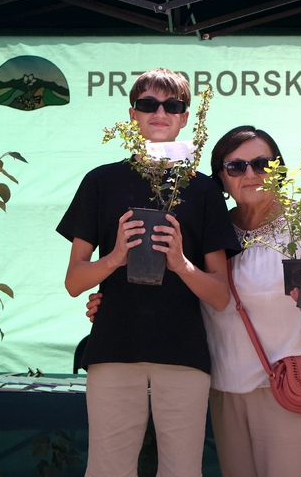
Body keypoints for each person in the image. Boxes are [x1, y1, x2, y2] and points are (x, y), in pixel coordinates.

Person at [88, 125, 301, 477]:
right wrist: (109, 303)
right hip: (226, 388)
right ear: (221, 180)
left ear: (279, 170)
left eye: (262, 164)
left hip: (291, 386)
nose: (251, 174)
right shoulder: (211, 229)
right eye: (236, 166)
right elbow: (185, 291)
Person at [57, 68, 239, 477]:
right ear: (132, 114)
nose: (160, 113)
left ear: (186, 117)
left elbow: (220, 295)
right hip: (113, 347)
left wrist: (181, 263)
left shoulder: (204, 190)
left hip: (184, 353)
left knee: (182, 470)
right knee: (108, 469)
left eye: (172, 105)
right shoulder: (101, 181)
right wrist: (115, 257)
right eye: (148, 104)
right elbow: (74, 282)